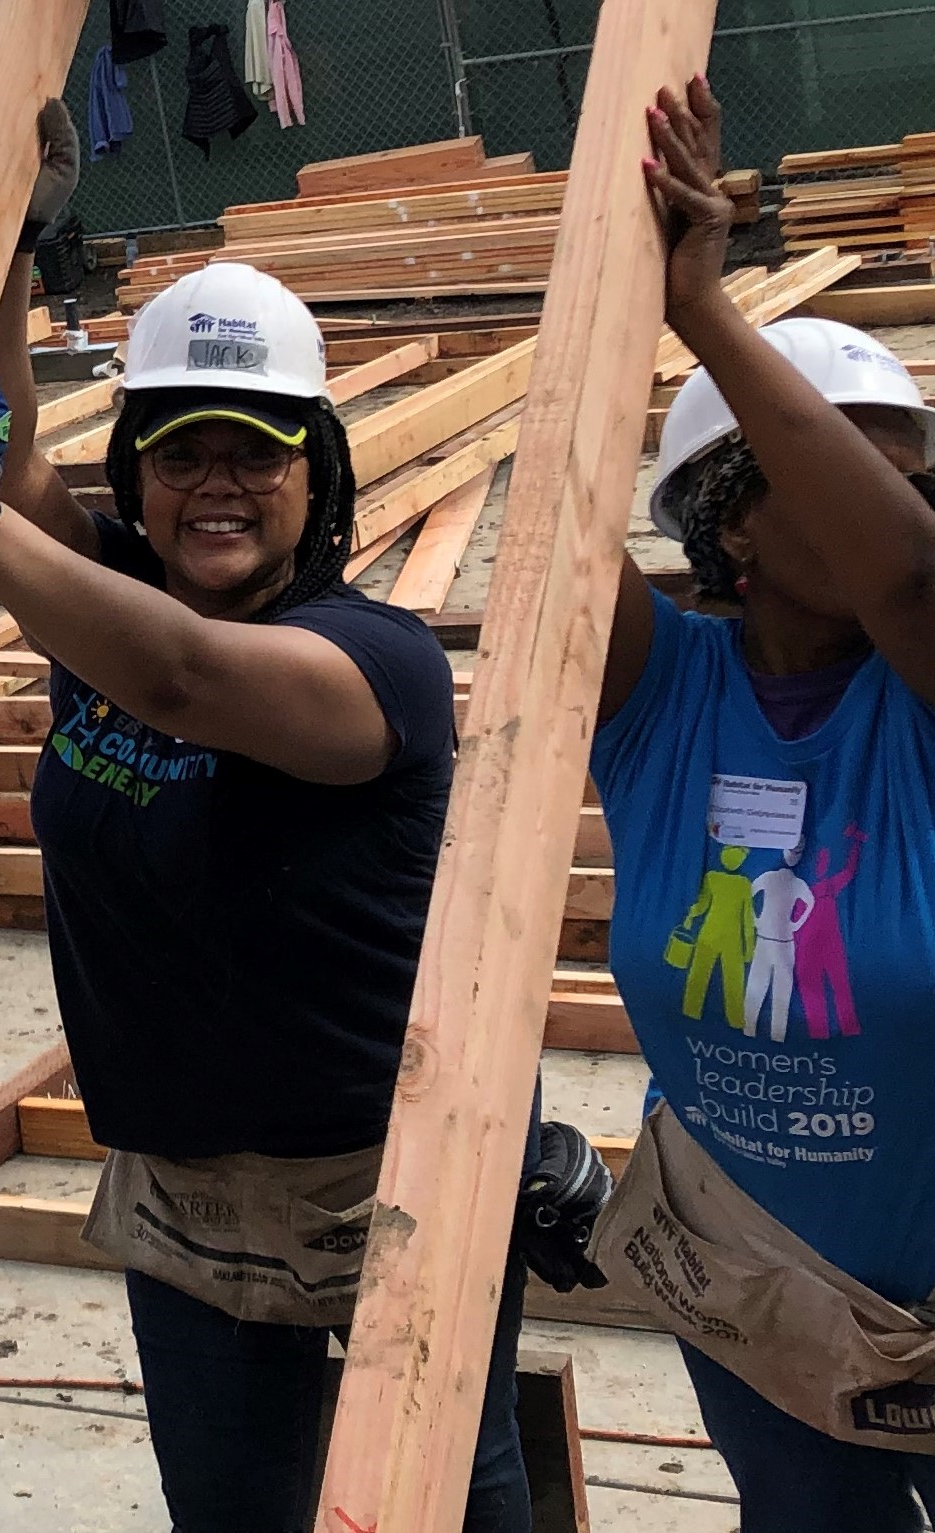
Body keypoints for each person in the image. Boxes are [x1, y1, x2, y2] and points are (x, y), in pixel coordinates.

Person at [0, 158, 543, 1521]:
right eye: (181, 450)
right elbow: (16, 458)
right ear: (136, 473)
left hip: (385, 1173)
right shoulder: (107, 611)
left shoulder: (373, 662)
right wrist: (17, 238)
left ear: (311, 473)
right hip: (185, 1189)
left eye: (254, 451)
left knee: (443, 1485)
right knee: (229, 1502)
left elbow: (184, 680)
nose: (217, 483)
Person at [582, 79, 935, 1531]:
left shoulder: (916, 699)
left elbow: (913, 578)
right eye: (836, 465)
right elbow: (552, 508)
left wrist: (704, 312)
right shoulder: (663, 694)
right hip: (750, 1291)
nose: (892, 497)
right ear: (730, 516)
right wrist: (611, 274)